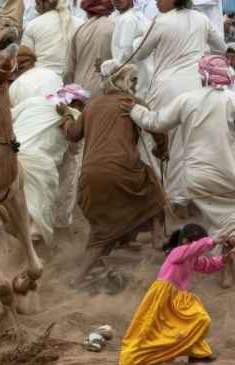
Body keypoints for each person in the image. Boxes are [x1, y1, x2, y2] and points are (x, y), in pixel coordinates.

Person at [124, 55, 235, 286]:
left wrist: (135, 110)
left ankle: (227, 269)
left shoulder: (186, 99)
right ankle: (234, 240)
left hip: (196, 178)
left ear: (202, 76)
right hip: (230, 175)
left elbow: (155, 123)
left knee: (218, 221)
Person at [59, 62, 167, 288]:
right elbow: (157, 128)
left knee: (101, 229)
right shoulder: (133, 103)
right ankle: (158, 240)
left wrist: (66, 117)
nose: (136, 86)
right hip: (124, 172)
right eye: (134, 81)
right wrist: (162, 149)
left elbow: (72, 135)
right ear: (128, 82)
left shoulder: (92, 105)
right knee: (155, 193)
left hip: (89, 177)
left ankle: (82, 275)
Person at [107, 224, 235, 365]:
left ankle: (196, 352)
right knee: (145, 333)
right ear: (186, 241)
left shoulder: (191, 257)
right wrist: (213, 240)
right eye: (196, 243)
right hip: (161, 297)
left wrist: (228, 257)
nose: (198, 248)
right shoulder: (177, 252)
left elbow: (209, 265)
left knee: (200, 319)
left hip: (177, 298)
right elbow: (195, 249)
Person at [130, 0, 226, 209]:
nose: (156, 1)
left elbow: (139, 54)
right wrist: (197, 50)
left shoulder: (161, 21)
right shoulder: (202, 19)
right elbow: (222, 47)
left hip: (167, 88)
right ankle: (186, 197)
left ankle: (168, 198)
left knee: (157, 141)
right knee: (189, 143)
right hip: (197, 87)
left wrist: (137, 40)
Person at [12, 83, 89, 242]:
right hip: (38, 162)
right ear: (77, 103)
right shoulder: (74, 115)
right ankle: (44, 235)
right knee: (45, 201)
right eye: (82, 105)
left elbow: (10, 115)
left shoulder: (33, 102)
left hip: (10, 153)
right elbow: (75, 149)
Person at [63, 0, 114, 97]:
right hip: (104, 92)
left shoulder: (79, 31)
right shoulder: (114, 28)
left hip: (79, 93)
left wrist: (69, 92)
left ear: (87, 11)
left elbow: (67, 71)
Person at [21, 0, 81, 76]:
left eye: (37, 3)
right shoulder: (81, 24)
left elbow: (24, 61)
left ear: (46, 3)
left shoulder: (33, 25)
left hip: (41, 80)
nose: (35, 7)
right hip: (74, 83)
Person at [110, 0, 151, 98]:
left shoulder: (127, 19)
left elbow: (126, 55)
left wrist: (106, 67)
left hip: (129, 81)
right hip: (139, 79)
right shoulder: (134, 16)